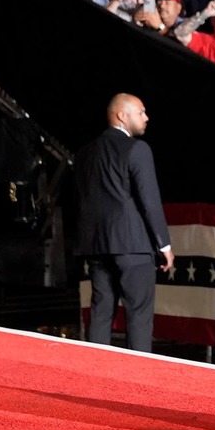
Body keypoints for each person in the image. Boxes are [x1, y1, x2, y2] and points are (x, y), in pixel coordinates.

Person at [68, 94, 173, 351]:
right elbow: (149, 201)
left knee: (101, 313)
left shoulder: (84, 153)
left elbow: (80, 199)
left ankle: (96, 376)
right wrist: (164, 246)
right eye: (141, 112)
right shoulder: (138, 149)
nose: (146, 118)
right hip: (133, 246)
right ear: (122, 116)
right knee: (138, 315)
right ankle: (138, 380)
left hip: (96, 246)